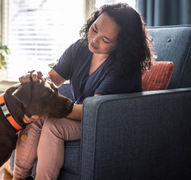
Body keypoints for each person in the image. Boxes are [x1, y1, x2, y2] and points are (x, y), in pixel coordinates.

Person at [13, 3, 155, 180]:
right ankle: (18, 177)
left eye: (105, 39)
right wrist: (36, 82)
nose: (94, 40)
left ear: (122, 45)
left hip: (108, 122)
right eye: (94, 29)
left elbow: (95, 109)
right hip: (86, 115)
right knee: (36, 121)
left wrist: (44, 110)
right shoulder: (80, 47)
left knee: (53, 124)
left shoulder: (125, 67)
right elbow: (53, 79)